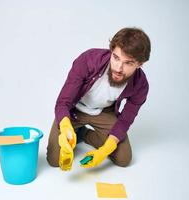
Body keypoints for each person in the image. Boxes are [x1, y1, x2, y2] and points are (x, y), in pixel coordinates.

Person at [46, 27, 151, 170]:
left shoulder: (141, 85)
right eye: (116, 57)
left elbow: (126, 119)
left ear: (140, 64)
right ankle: (74, 130)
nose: (119, 68)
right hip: (74, 110)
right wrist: (65, 128)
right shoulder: (88, 60)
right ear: (111, 51)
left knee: (124, 158)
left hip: (103, 112)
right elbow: (63, 102)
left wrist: (104, 151)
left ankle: (83, 134)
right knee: (54, 160)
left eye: (129, 63)